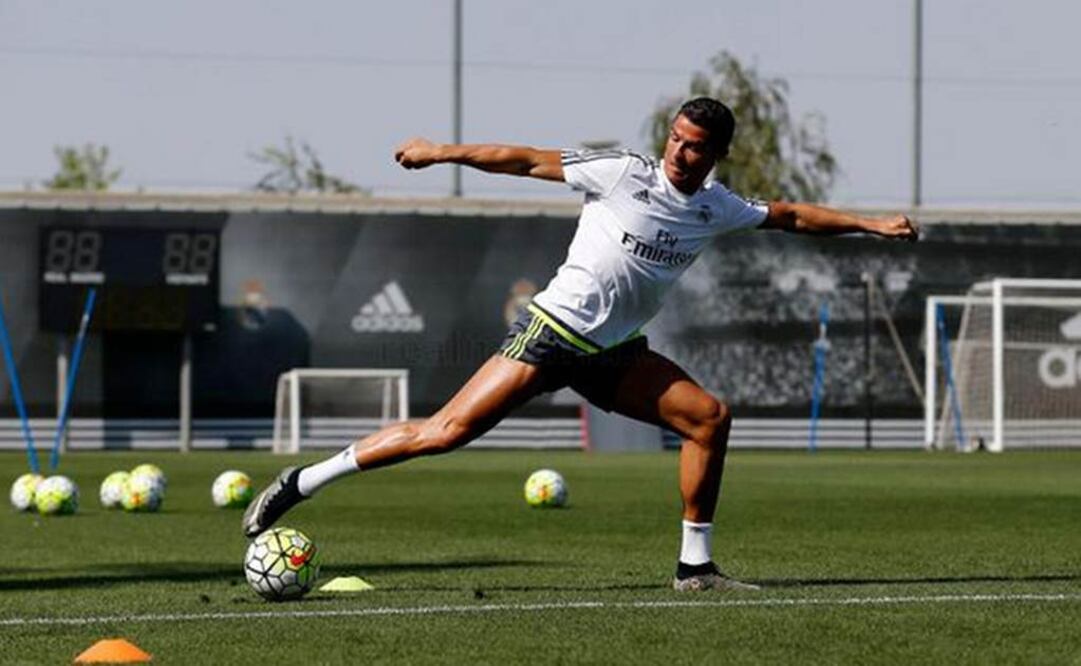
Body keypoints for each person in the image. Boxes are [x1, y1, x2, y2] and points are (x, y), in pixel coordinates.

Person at [243, 97, 919, 591]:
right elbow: (524, 159)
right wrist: (440, 150)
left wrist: (871, 224)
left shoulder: (716, 206)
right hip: (550, 334)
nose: (681, 153)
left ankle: (694, 567)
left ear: (716, 156)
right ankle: (301, 482)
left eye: (696, 148)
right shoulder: (623, 172)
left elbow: (792, 215)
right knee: (444, 433)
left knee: (708, 418)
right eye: (677, 140)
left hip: (615, 353)